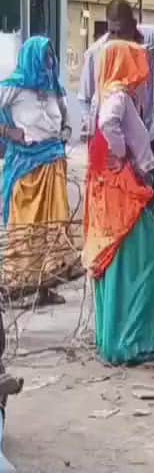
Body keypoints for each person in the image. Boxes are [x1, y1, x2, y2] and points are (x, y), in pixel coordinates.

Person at [83, 41, 154, 365]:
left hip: (110, 190)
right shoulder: (117, 94)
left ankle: (116, 339)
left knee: (118, 264)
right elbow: (108, 124)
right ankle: (133, 342)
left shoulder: (103, 94)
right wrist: (123, 153)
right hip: (123, 190)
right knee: (146, 264)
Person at [0, 36, 73, 304]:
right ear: (32, 58)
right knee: (26, 229)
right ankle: (18, 288)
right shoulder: (14, 87)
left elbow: (65, 117)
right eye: (45, 56)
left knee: (52, 228)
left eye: (51, 56)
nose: (50, 62)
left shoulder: (54, 87)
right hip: (26, 166)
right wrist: (8, 132)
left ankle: (45, 287)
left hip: (53, 161)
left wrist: (66, 130)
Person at [79, 0, 154, 142]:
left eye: (121, 32)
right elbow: (85, 98)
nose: (116, 39)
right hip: (105, 136)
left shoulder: (144, 53)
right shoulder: (95, 53)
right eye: (112, 32)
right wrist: (88, 126)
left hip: (138, 135)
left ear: (133, 26)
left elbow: (148, 99)